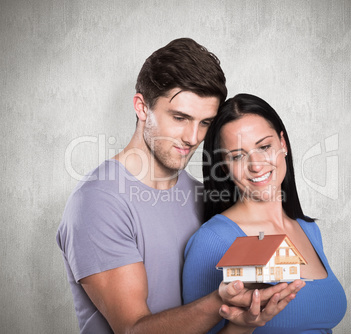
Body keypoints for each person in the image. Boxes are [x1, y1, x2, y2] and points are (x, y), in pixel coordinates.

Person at [57, 39, 304, 334]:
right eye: (180, 118)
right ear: (142, 107)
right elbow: (133, 329)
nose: (192, 137)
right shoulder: (98, 202)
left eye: (204, 123)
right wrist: (221, 302)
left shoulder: (203, 195)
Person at [183, 93, 347, 333]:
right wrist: (242, 326)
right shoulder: (212, 241)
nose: (256, 165)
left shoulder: (309, 230)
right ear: (223, 167)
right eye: (238, 156)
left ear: (283, 144)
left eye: (264, 146)